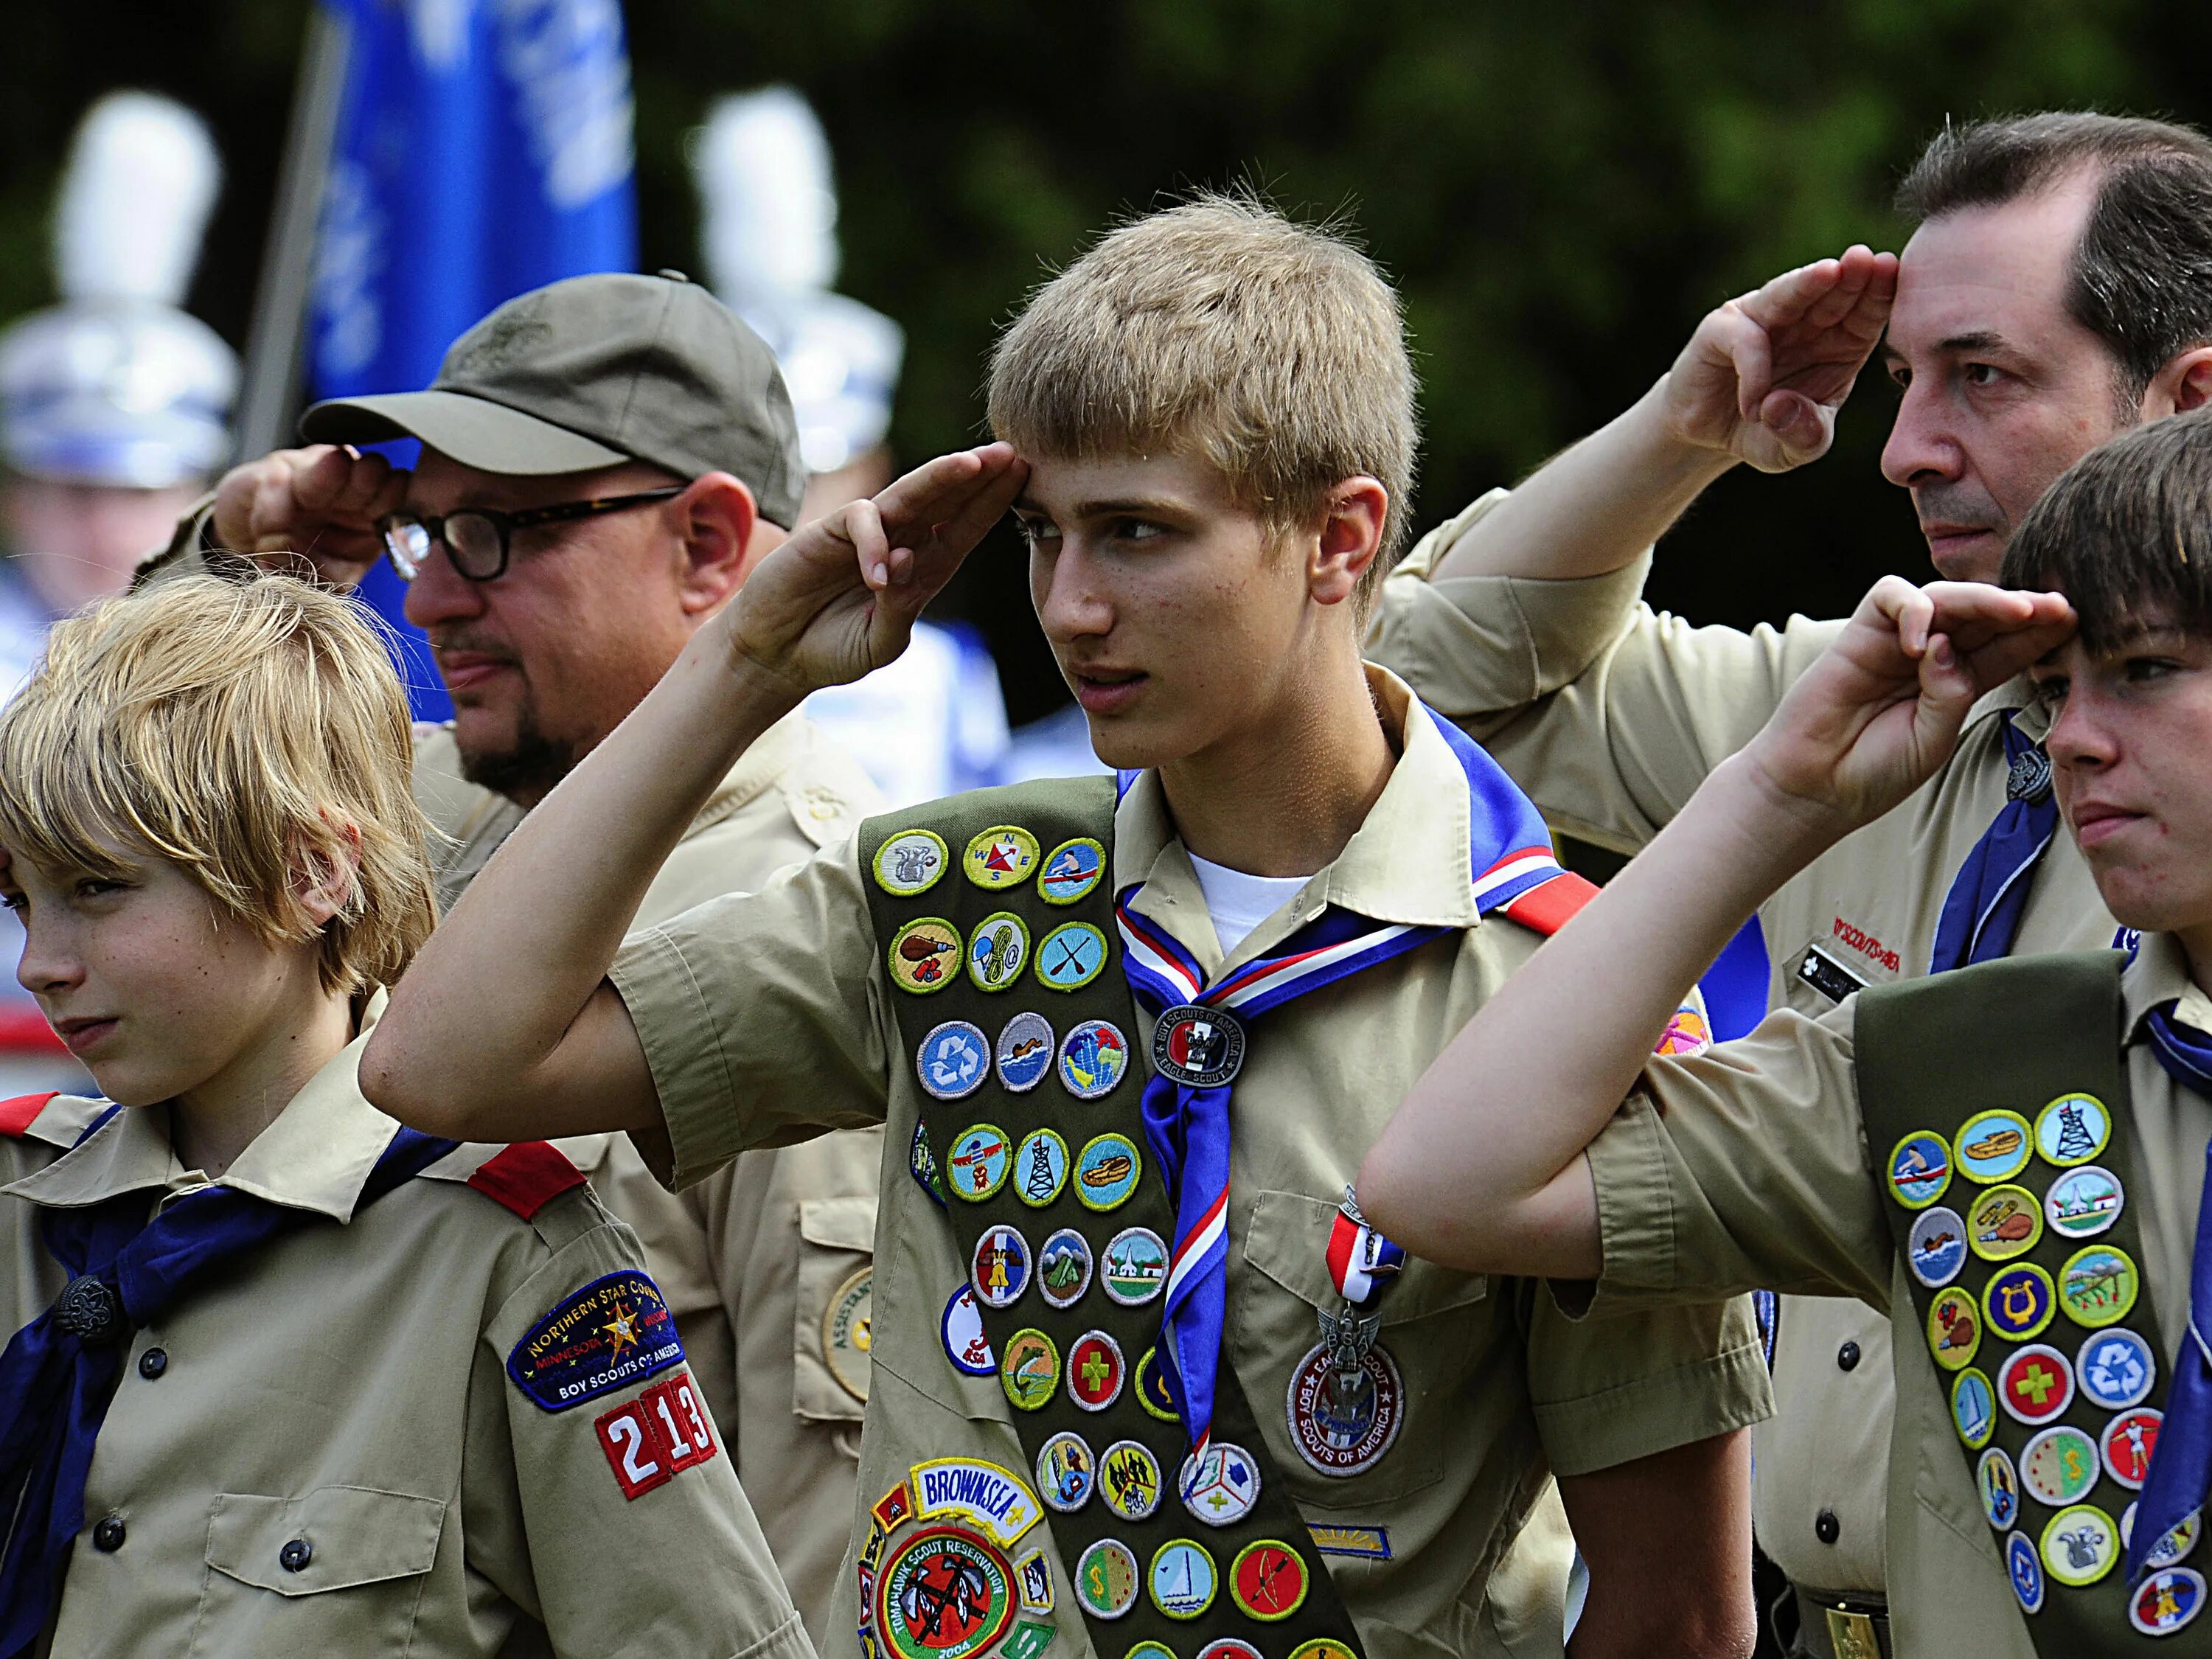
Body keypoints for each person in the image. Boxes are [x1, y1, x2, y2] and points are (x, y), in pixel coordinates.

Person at [358, 196, 1772, 1659]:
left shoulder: (1558, 990)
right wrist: (749, 664)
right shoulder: (945, 901)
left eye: (1138, 535)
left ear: (1339, 539)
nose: (1072, 606)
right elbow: (446, 1070)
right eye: (1041, 538)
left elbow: (1674, 1610)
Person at [1365, 111, 2212, 1655]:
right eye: (1904, 382)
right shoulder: (1873, 703)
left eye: (1984, 375)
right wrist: (1683, 428)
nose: (1903, 449)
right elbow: (1427, 691)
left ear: (2190, 394)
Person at [139, 270, 883, 1643]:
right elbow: (102, 835)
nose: (423, 610)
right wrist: (230, 576)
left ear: (712, 548)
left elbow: (812, 1546)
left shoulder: (813, 914)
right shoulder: (456, 810)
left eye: (490, 536)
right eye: (424, 538)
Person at [0, 574, 808, 1658]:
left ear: (310, 873)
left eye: (98, 888)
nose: (39, 964)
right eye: (20, 901)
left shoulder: (502, 1254)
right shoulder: (19, 1211)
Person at [695, 85, 1015, 807]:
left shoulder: (944, 674)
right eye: (765, 479)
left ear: (874, 472)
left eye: (820, 476)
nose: (795, 508)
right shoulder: (673, 657)